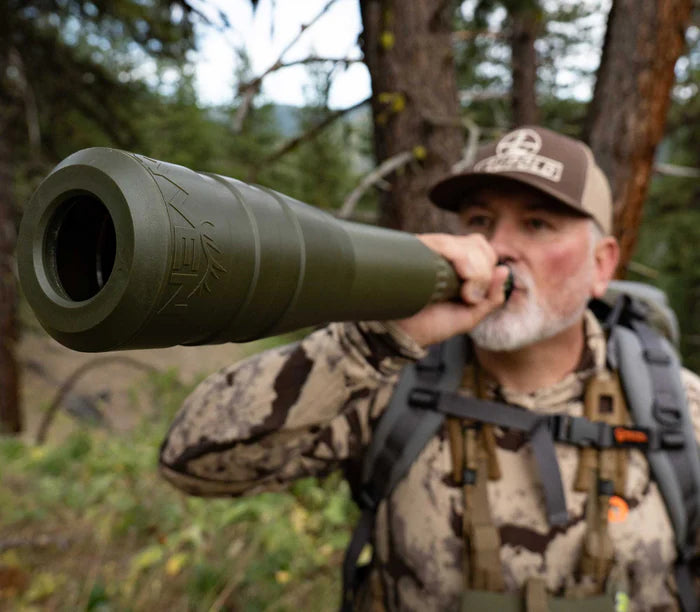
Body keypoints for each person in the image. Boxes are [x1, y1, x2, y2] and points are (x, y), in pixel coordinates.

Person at [159, 126, 700, 611]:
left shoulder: (677, 410)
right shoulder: (389, 382)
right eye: (480, 221)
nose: (498, 247)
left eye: (537, 224)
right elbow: (192, 463)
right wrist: (375, 338)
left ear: (602, 264)